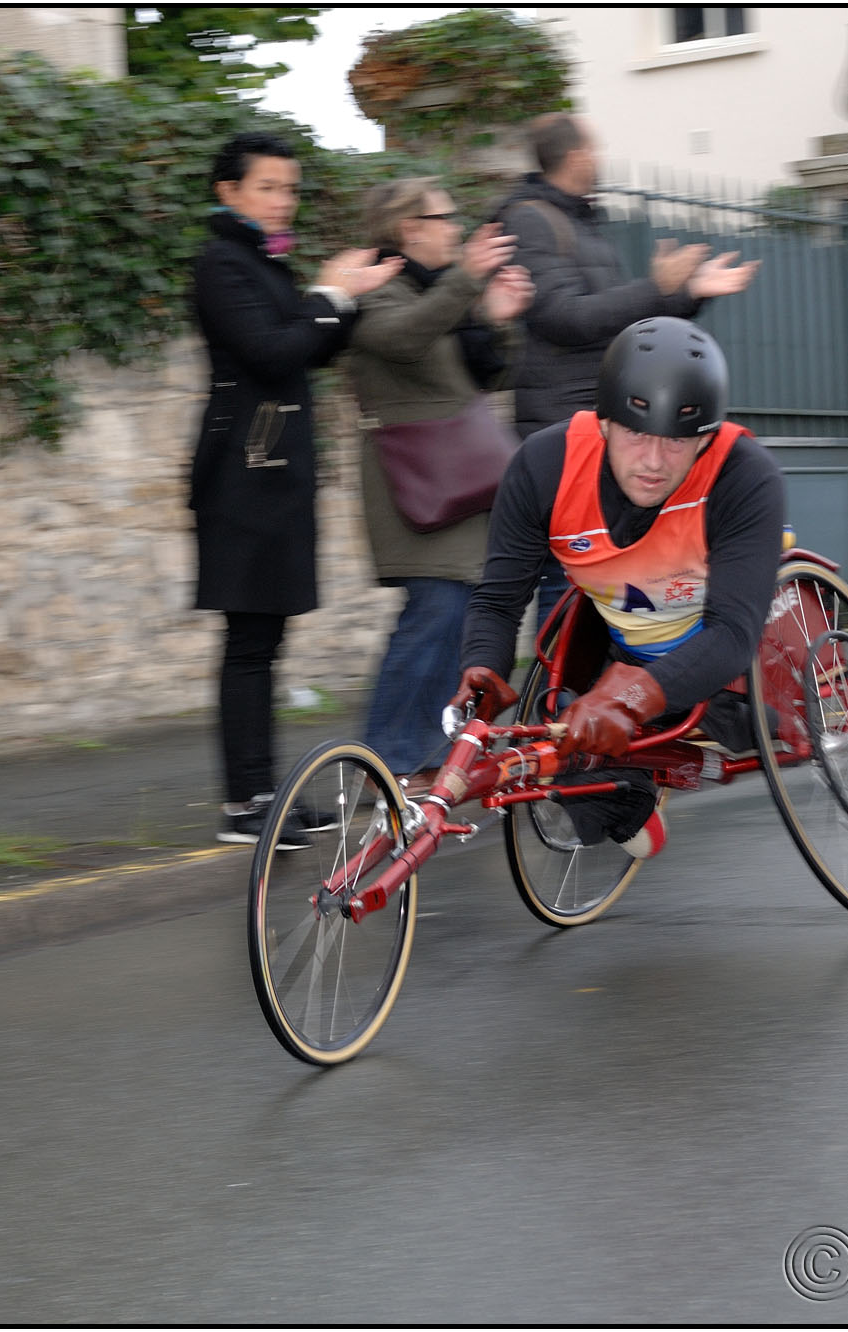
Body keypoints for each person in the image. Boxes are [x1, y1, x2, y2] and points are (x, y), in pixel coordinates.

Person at [450, 317, 786, 858]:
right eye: (635, 433)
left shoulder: (744, 476)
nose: (653, 461)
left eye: (677, 441)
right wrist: (482, 664)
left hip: (724, 670)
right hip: (620, 648)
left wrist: (630, 700)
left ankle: (645, 769)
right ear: (603, 422)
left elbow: (732, 634)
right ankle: (629, 799)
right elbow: (498, 597)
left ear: (706, 438)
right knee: (560, 740)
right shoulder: (542, 465)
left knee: (755, 724)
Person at [189, 131, 403, 848]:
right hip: (242, 477)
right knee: (249, 642)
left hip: (270, 475)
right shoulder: (222, 264)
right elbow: (271, 351)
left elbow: (308, 348)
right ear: (230, 192)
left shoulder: (259, 262)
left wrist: (345, 300)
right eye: (268, 188)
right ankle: (243, 803)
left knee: (266, 639)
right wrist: (328, 296)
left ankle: (260, 791)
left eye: (290, 189)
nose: (283, 201)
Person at [493, 113, 758, 626]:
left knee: (608, 592)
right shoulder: (531, 221)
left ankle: (609, 698)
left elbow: (621, 327)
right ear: (577, 157)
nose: (601, 157)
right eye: (596, 148)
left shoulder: (580, 222)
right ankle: (563, 702)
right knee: (567, 592)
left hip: (606, 427)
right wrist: (656, 288)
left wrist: (686, 293)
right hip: (565, 429)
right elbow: (565, 318)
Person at [346, 177, 533, 787]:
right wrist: (468, 282)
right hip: (414, 485)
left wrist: (496, 320)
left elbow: (477, 377)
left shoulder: (438, 294)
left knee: (453, 613)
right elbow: (402, 339)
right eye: (444, 216)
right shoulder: (378, 293)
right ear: (409, 229)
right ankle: (384, 756)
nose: (456, 226)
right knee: (433, 610)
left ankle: (421, 751)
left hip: (456, 479)